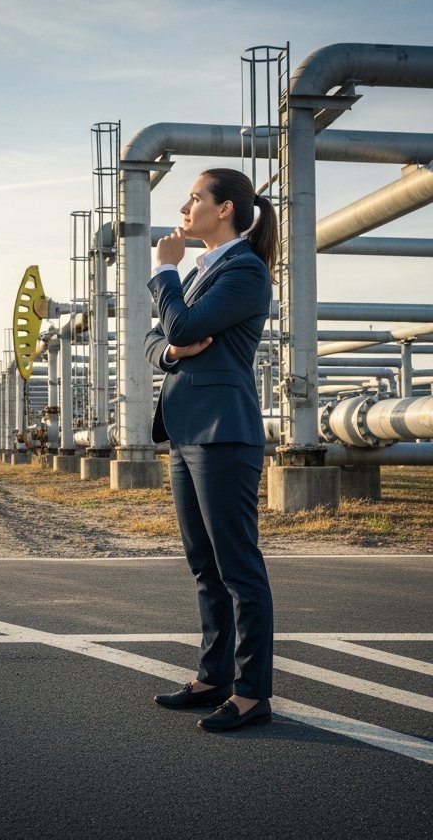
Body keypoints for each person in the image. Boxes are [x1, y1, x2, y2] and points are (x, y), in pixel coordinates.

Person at [144, 167, 278, 732]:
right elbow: (160, 341)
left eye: (195, 196)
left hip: (224, 433)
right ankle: (213, 676)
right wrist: (173, 352)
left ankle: (251, 694)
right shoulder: (205, 272)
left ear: (224, 209)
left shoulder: (244, 270)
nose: (185, 204)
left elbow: (180, 323)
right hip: (186, 432)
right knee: (204, 565)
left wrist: (164, 270)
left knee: (237, 567)